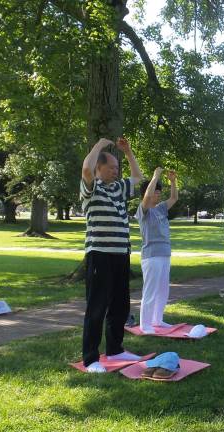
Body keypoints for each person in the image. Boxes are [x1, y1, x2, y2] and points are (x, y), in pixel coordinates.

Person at [79, 136, 143, 373]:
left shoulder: (119, 188)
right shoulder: (91, 188)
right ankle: (91, 358)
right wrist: (98, 145)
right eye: (111, 168)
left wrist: (128, 152)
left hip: (120, 253)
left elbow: (137, 177)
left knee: (120, 304)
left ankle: (115, 348)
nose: (116, 172)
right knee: (97, 306)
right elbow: (86, 168)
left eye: (118, 168)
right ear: (100, 168)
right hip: (100, 254)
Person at [135, 167, 179, 334]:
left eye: (159, 192)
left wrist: (173, 182)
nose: (158, 194)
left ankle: (157, 320)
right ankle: (145, 325)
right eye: (156, 191)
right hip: (151, 256)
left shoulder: (160, 208)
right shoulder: (143, 210)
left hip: (164, 254)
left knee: (163, 290)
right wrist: (155, 176)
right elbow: (147, 197)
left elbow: (174, 198)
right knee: (151, 290)